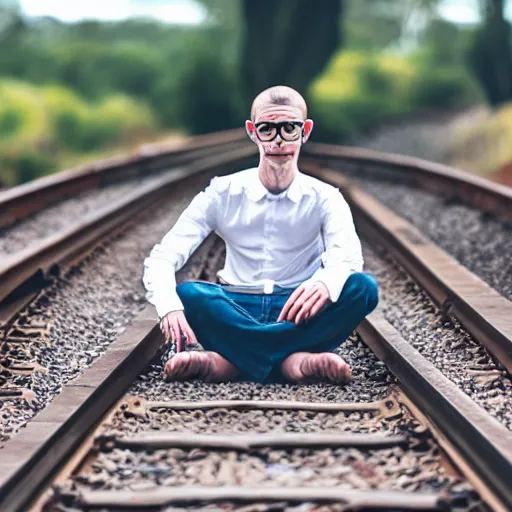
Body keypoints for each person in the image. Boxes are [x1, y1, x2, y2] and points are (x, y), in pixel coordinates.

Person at [143, 86, 378, 385]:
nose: (279, 140)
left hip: (298, 310)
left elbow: (347, 257)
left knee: (362, 288)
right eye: (267, 129)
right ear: (253, 132)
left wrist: (324, 281)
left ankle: (232, 363)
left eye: (289, 129)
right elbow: (162, 258)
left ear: (305, 131)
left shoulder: (325, 197)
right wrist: (170, 308)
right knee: (188, 295)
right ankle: (292, 362)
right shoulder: (222, 192)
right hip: (237, 306)